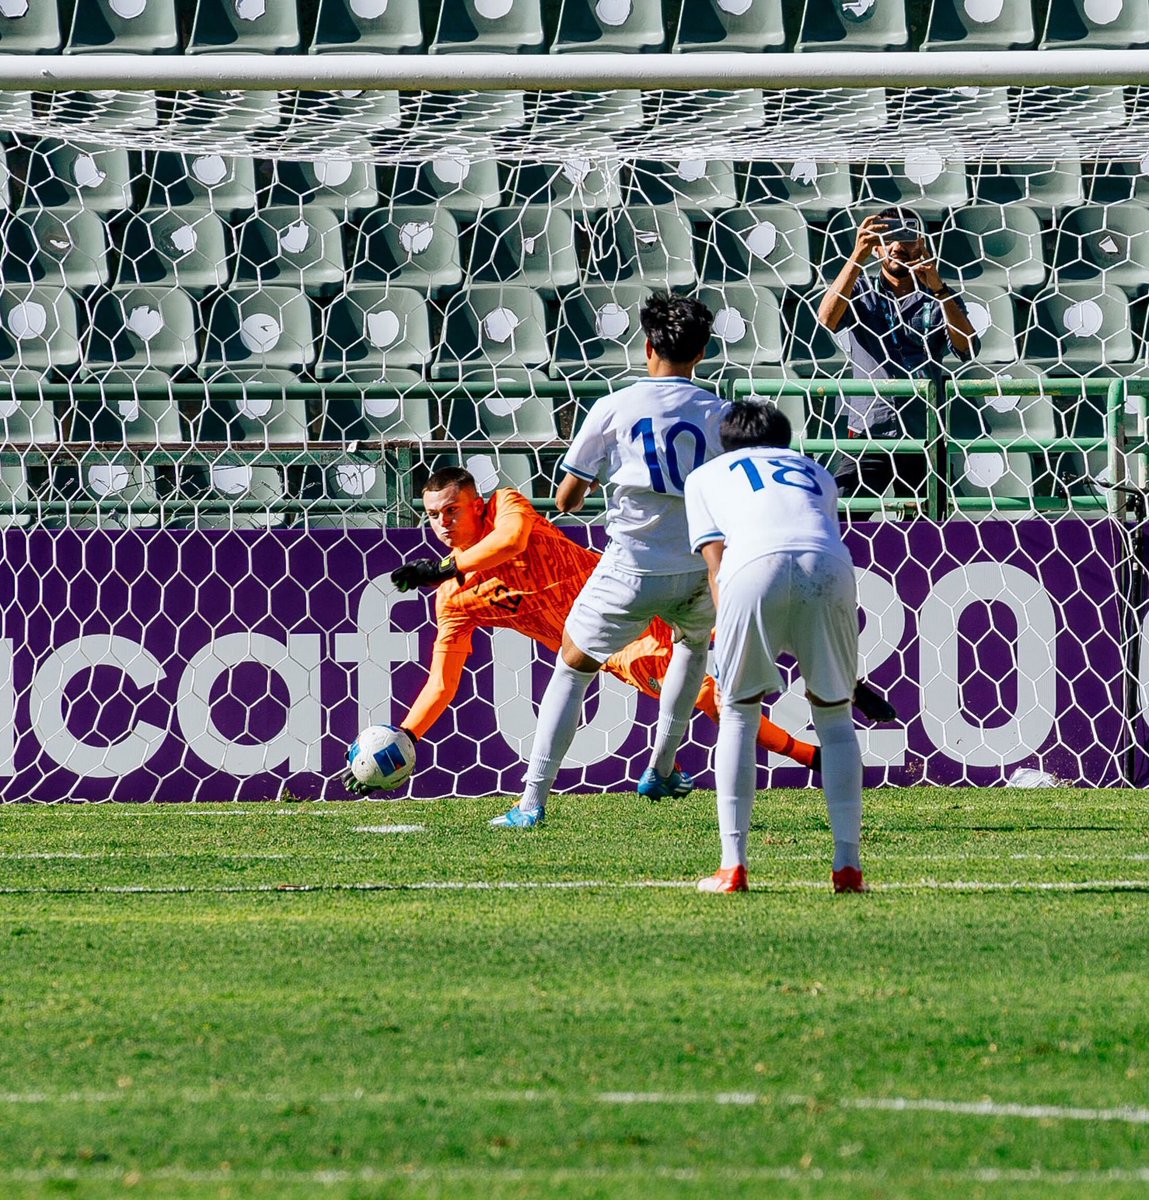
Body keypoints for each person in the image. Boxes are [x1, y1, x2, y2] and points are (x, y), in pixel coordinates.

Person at [341, 466, 823, 800]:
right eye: (432, 515)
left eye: (452, 510)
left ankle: (831, 671)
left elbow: (510, 542)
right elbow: (442, 684)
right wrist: (405, 737)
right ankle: (808, 756)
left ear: (477, 504)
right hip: (608, 642)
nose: (443, 523)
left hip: (628, 595)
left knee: (749, 622)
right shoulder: (453, 599)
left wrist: (446, 567)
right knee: (705, 695)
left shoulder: (508, 506)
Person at [486, 293, 729, 827]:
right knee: (692, 645)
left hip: (633, 566)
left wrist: (593, 486)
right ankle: (662, 765)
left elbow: (566, 499)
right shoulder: (721, 413)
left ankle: (531, 802)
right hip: (697, 563)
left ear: (646, 346)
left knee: (573, 665)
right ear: (703, 351)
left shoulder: (615, 406)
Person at [684, 399, 868, 894]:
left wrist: (726, 636)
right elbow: (813, 535)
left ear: (726, 441)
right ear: (783, 438)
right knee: (835, 717)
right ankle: (848, 866)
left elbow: (716, 562)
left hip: (751, 569)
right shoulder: (817, 471)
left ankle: (732, 866)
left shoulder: (705, 476)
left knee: (739, 713)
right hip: (828, 566)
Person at [816, 205, 979, 501]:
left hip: (924, 432)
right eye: (887, 236)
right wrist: (857, 256)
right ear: (876, 248)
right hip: (869, 431)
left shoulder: (941, 296)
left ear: (921, 245)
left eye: (906, 236)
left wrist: (939, 288)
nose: (896, 246)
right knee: (845, 517)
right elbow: (826, 318)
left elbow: (967, 348)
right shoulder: (859, 289)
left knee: (929, 528)